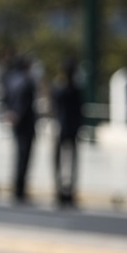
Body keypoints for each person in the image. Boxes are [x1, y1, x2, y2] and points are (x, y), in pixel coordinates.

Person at [2, 54, 38, 203]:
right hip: (26, 125)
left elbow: (6, 100)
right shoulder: (27, 81)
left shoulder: (10, 80)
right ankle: (20, 189)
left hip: (16, 124)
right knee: (25, 157)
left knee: (18, 156)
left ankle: (17, 187)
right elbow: (27, 103)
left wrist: (11, 114)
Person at [50, 61, 83, 208]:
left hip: (63, 128)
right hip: (68, 129)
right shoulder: (73, 89)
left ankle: (62, 190)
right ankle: (66, 190)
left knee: (62, 162)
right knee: (68, 162)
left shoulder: (61, 88)